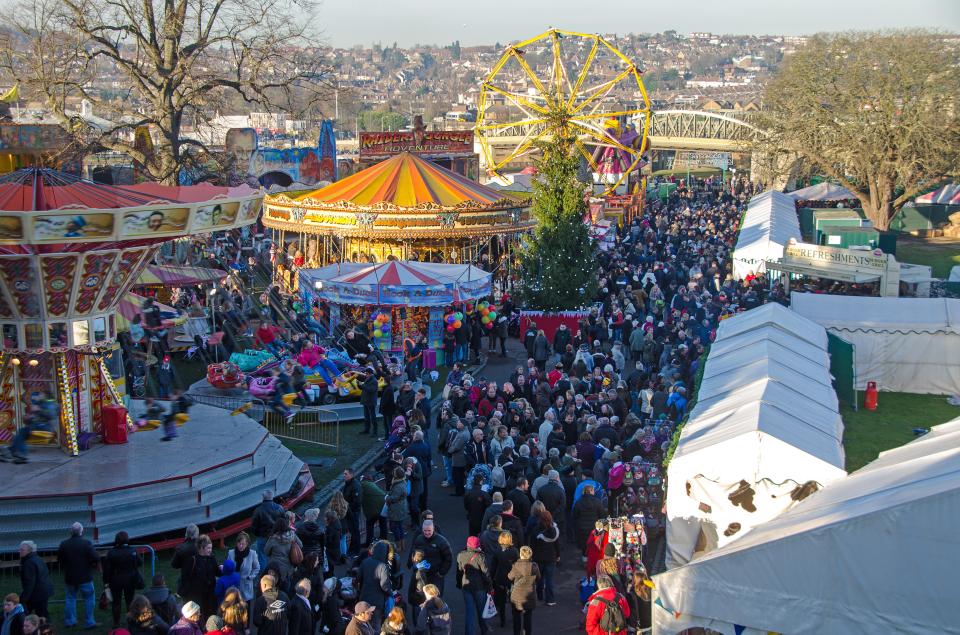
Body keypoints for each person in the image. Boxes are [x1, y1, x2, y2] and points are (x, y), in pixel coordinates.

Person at [57, 522, 99, 630]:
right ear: (82, 531)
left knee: (70, 598)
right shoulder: (86, 543)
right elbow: (95, 557)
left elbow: (60, 560)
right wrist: (91, 564)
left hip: (70, 577)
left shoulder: (64, 544)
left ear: (71, 531)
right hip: (85, 577)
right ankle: (89, 621)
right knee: (89, 598)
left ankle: (70, 620)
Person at [2, 392, 57, 463]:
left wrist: (39, 410)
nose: (38, 396)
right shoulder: (40, 404)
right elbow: (32, 419)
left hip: (45, 427)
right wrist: (28, 418)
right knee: (20, 435)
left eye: (40, 394)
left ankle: (20, 454)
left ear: (45, 395)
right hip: (37, 426)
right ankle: (10, 452)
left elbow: (51, 415)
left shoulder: (50, 403)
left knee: (22, 433)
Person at [102, 532, 142, 627]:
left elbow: (107, 569)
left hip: (115, 580)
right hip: (130, 579)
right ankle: (131, 622)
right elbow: (140, 562)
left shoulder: (111, 553)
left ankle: (116, 623)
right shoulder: (132, 551)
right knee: (130, 601)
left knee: (116, 602)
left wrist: (106, 581)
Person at [456, 536, 491, 635]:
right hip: (479, 587)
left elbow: (458, 572)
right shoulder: (480, 556)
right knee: (481, 610)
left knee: (469, 611)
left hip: (466, 586)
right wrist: (490, 587)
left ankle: (469, 632)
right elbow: (486, 574)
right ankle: (484, 630)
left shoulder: (460, 555)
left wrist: (459, 583)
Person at [406, 520, 452, 594]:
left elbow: (448, 559)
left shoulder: (441, 541)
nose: (427, 532)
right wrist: (414, 564)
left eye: (429, 530)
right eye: (425, 530)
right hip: (421, 574)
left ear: (433, 529)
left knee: (435, 596)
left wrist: (441, 572)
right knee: (420, 596)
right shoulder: (419, 539)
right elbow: (413, 552)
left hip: (435, 575)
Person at [182, 534, 218, 622]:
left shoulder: (211, 558)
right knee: (200, 617)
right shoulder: (192, 560)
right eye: (208, 548)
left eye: (211, 548)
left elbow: (216, 571)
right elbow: (185, 577)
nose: (210, 550)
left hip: (210, 595)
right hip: (198, 596)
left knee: (210, 615)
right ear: (201, 548)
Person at [358, 542, 393, 631]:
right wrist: (390, 593)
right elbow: (385, 586)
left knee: (364, 624)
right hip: (377, 602)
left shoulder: (365, 561)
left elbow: (359, 578)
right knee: (376, 625)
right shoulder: (383, 566)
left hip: (364, 598)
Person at [529, 509, 560, 606]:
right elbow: (557, 544)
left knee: (539, 578)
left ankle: (539, 596)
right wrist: (558, 555)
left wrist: (531, 556)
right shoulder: (554, 530)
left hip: (538, 558)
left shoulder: (536, 530)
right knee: (549, 579)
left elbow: (532, 544)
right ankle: (550, 599)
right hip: (551, 558)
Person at [506, 546, 540, 635]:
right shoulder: (534, 566)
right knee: (528, 618)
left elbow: (510, 577)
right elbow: (538, 578)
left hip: (516, 597)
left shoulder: (516, 565)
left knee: (516, 618)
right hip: (529, 596)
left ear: (520, 555)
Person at [264, 517, 303, 590]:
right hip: (289, 567)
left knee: (275, 587)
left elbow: (266, 551)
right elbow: (301, 545)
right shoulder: (292, 535)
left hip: (276, 568)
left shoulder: (273, 539)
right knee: (286, 586)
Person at [490, 531, 519, 629]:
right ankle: (515, 619)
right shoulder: (515, 551)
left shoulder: (497, 551)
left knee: (501, 602)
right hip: (512, 580)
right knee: (513, 601)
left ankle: (502, 621)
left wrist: (491, 579)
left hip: (500, 579)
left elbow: (493, 567)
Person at [226, 532, 260, 603]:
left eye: (243, 544)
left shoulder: (252, 554)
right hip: (234, 586)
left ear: (247, 544)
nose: (241, 546)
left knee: (246, 609)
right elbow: (228, 568)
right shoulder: (231, 553)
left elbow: (256, 568)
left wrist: (251, 577)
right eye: (239, 543)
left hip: (246, 585)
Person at [573, 484, 607, 554]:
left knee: (584, 547)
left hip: (582, 529)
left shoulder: (578, 502)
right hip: (594, 528)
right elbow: (603, 515)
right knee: (594, 546)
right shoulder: (597, 502)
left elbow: (575, 516)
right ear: (591, 491)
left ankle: (584, 560)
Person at [171, 524, 199, 596]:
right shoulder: (201, 547)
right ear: (197, 533)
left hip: (186, 582)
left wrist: (184, 563)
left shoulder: (180, 548)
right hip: (200, 581)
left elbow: (174, 564)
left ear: (186, 533)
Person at [386, 467, 410, 550]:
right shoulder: (403, 482)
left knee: (395, 528)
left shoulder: (397, 486)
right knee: (399, 527)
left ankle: (399, 546)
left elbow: (394, 497)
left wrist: (387, 498)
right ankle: (402, 545)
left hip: (396, 509)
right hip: (401, 508)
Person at [342, 468, 363, 556]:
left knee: (355, 531)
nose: (344, 475)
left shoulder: (355, 486)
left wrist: (348, 509)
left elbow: (357, 502)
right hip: (349, 511)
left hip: (353, 512)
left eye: (346, 474)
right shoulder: (348, 484)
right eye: (344, 473)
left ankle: (356, 550)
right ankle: (352, 547)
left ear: (351, 475)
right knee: (352, 530)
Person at [361, 370, 380, 435]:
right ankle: (367, 429)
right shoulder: (368, 379)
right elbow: (365, 388)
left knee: (372, 417)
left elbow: (371, 390)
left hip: (370, 401)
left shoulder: (374, 381)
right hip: (366, 401)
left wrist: (363, 386)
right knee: (366, 416)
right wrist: (360, 385)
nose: (365, 375)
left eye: (366, 373)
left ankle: (375, 431)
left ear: (369, 374)